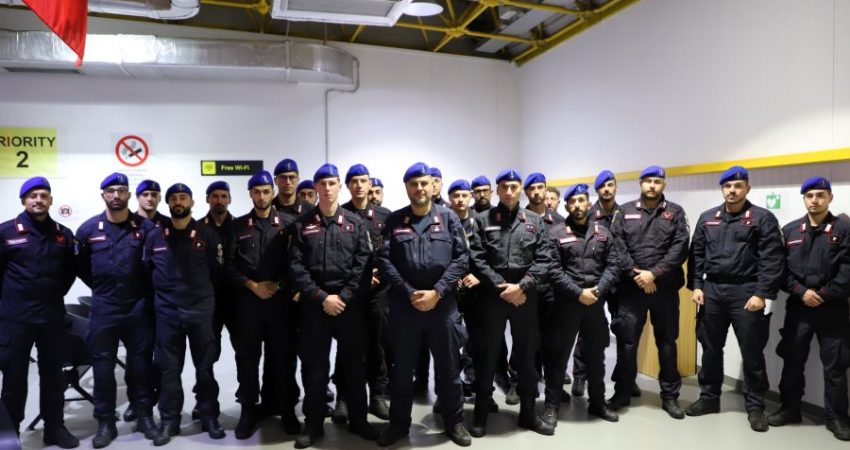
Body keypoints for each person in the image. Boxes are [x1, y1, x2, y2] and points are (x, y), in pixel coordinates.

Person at [376, 162, 472, 447]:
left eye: (424, 183)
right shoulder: (395, 220)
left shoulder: (449, 217)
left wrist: (438, 291)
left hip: (443, 309)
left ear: (432, 185)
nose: (419, 188)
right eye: (413, 184)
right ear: (406, 187)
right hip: (405, 309)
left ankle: (454, 424)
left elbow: (462, 258)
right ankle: (398, 426)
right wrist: (409, 292)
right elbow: (384, 260)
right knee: (402, 372)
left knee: (449, 370)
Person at [686, 166, 784, 432]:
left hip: (747, 291)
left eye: (738, 186)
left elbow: (772, 259)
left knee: (752, 351)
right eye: (727, 186)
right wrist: (696, 286)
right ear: (722, 189)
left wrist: (761, 294)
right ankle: (709, 398)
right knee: (710, 348)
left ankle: (755, 406)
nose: (732, 190)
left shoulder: (762, 218)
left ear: (747, 188)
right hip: (712, 290)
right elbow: (696, 254)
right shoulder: (708, 218)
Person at [289, 164, 378, 448]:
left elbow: (363, 265)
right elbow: (296, 267)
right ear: (315, 187)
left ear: (340, 185)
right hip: (315, 307)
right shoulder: (301, 225)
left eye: (331, 183)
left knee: (354, 367)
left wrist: (344, 297)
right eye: (322, 183)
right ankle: (314, 424)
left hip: (349, 308)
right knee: (314, 368)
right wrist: (321, 297)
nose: (327, 188)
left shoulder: (356, 223)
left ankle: (359, 420)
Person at [468, 169, 555, 437]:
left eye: (513, 187)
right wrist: (501, 287)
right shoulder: (482, 220)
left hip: (524, 296)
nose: (508, 191)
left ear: (520, 190)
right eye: (504, 186)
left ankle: (528, 413)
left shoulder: (535, 221)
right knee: (487, 355)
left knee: (526, 356)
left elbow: (544, 259)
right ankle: (481, 413)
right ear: (497, 190)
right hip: (492, 297)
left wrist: (522, 286)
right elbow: (477, 258)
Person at [75, 173, 157, 447]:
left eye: (121, 190)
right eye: (111, 191)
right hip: (104, 307)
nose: (116, 195)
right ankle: (105, 422)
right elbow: (82, 268)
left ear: (129, 195)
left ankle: (144, 416)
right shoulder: (88, 230)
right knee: (102, 367)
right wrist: (103, 287)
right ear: (103, 195)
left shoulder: (146, 228)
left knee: (141, 365)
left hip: (137, 307)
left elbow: (154, 266)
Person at [143, 183, 225, 446]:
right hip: (167, 312)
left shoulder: (208, 235)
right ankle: (169, 420)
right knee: (169, 370)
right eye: (173, 198)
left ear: (192, 202)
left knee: (205, 368)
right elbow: (147, 272)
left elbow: (218, 273)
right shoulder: (155, 236)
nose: (178, 202)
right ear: (167, 203)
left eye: (183, 197)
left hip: (200, 310)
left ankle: (209, 416)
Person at [769, 176, 850, 441]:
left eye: (820, 195)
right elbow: (780, 270)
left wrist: (824, 294)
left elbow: (848, 270)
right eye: (810, 195)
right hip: (799, 307)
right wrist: (801, 292)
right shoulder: (791, 230)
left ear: (830, 198)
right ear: (804, 199)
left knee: (836, 366)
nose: (815, 200)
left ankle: (837, 418)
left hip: (833, 309)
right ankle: (790, 409)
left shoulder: (845, 229)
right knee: (792, 361)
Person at [0, 177, 79, 448]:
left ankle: (54, 428)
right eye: (33, 195)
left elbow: (69, 273)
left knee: (53, 377)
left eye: (44, 195)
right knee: (14, 380)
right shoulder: (6, 232)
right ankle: (9, 434)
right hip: (15, 319)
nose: (38, 200)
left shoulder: (63, 234)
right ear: (24, 200)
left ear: (51, 200)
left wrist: (52, 295)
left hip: (51, 317)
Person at [608, 165, 689, 419]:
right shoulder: (624, 211)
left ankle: (670, 396)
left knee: (667, 342)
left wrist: (653, 274)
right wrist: (638, 275)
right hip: (631, 290)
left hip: (664, 289)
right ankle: (623, 392)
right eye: (648, 181)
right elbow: (617, 245)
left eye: (657, 181)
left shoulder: (675, 212)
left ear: (664, 185)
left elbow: (680, 247)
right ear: (640, 183)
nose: (652, 185)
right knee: (627, 342)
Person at [226, 171, 301, 439]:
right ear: (250, 194)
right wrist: (252, 285)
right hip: (248, 305)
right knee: (248, 360)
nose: (261, 196)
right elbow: (229, 266)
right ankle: (248, 410)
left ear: (273, 192)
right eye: (256, 192)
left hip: (280, 305)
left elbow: (297, 262)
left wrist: (277, 285)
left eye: (266, 191)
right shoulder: (238, 226)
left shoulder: (289, 224)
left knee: (283, 359)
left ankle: (287, 409)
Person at [541, 184, 621, 426]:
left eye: (581, 200)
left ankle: (597, 402)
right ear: (566, 206)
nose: (577, 205)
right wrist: (578, 293)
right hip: (566, 304)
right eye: (572, 201)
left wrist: (598, 290)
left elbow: (613, 265)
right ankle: (551, 405)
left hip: (594, 303)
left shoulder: (603, 233)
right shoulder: (555, 233)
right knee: (558, 356)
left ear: (588, 203)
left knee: (595, 356)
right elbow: (553, 270)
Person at [341, 164, 392, 421]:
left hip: (379, 290)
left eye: (363, 181)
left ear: (370, 184)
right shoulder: (340, 214)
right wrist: (360, 278)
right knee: (348, 344)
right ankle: (343, 396)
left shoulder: (385, 216)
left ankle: (378, 395)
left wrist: (377, 274)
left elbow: (392, 251)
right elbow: (337, 255)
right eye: (354, 181)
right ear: (348, 186)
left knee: (377, 343)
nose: (359, 185)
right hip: (351, 290)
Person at [573, 169, 624, 398]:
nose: (607, 189)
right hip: (593, 282)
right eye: (602, 186)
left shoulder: (625, 213)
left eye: (610, 185)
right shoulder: (588, 214)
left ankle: (624, 377)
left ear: (616, 187)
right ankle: (580, 375)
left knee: (622, 330)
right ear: (596, 191)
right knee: (585, 331)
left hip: (620, 280)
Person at [448, 180, 498, 411]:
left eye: (463, 195)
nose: (460, 200)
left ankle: (483, 392)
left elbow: (492, 255)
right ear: (450, 198)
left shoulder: (481, 222)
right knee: (448, 345)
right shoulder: (443, 221)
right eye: (455, 196)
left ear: (470, 197)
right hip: (450, 292)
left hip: (478, 292)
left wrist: (479, 277)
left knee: (480, 345)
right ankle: (448, 393)